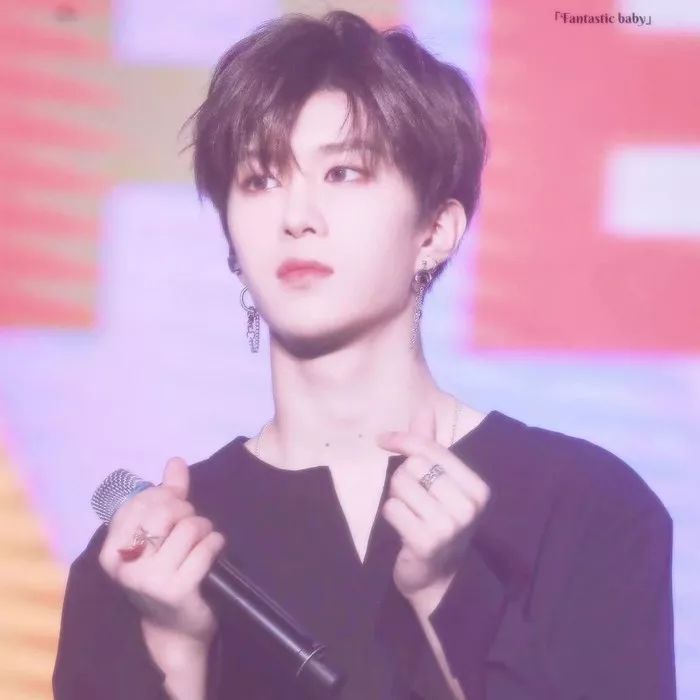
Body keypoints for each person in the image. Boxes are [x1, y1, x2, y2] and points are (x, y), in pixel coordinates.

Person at [52, 10, 676, 700]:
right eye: (260, 180)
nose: (297, 216)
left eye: (343, 173)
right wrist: (175, 653)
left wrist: (450, 593)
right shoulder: (146, 557)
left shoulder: (585, 507)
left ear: (434, 230)